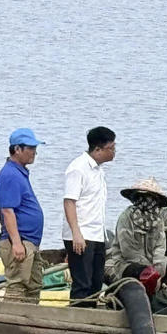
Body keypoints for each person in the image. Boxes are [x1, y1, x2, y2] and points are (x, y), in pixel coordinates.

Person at [62, 126, 115, 306]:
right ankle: (76, 322)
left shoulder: (99, 170)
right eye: (111, 148)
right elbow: (69, 201)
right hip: (82, 234)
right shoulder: (78, 168)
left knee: (95, 283)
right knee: (82, 284)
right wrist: (76, 233)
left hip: (96, 234)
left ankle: (91, 317)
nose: (114, 151)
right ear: (98, 149)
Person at [0, 128, 47, 303]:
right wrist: (16, 243)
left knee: (33, 286)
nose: (35, 152)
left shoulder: (19, 173)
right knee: (17, 287)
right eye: (31, 148)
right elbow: (7, 211)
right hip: (19, 242)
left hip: (29, 242)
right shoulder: (10, 174)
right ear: (17, 149)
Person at [104, 177, 167, 288]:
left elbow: (160, 247)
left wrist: (158, 267)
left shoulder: (158, 220)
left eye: (150, 198)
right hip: (126, 264)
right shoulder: (126, 217)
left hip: (152, 265)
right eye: (143, 197)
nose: (147, 201)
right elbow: (128, 252)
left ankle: (165, 292)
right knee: (148, 274)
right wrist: (150, 270)